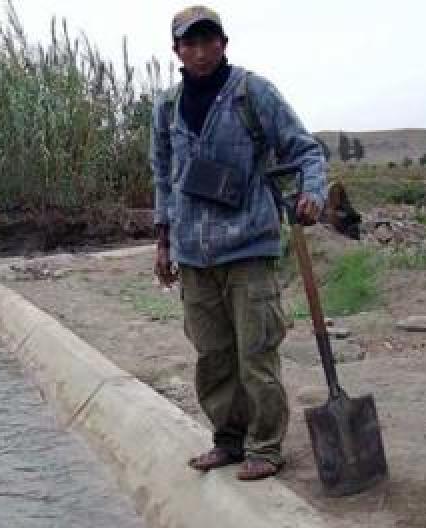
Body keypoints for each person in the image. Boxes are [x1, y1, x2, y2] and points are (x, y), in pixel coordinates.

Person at [150, 6, 326, 480]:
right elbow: (163, 179)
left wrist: (312, 193)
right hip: (192, 253)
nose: (201, 51)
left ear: (224, 44)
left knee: (256, 353)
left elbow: (305, 150)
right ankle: (227, 442)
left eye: (210, 41)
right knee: (213, 356)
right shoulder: (166, 107)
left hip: (249, 246)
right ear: (177, 52)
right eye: (190, 43)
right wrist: (163, 242)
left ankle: (265, 447)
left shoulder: (253, 93)